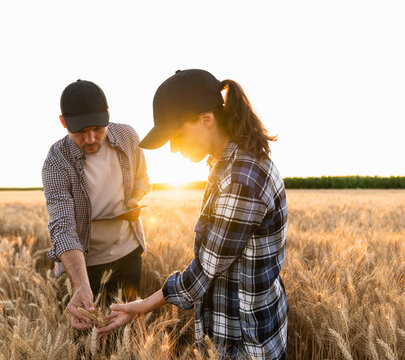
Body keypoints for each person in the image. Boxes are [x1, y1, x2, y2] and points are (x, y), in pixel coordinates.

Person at [98, 69, 288, 359]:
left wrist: (143, 306)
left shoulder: (241, 178)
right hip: (238, 330)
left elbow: (203, 273)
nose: (173, 149)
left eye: (176, 135)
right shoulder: (227, 165)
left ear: (206, 120)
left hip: (247, 342)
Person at [42, 79, 151, 331]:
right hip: (84, 263)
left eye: (97, 128)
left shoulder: (128, 136)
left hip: (129, 253)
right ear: (63, 123)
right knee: (86, 340)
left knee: (127, 332)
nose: (90, 138)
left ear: (108, 116)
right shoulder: (56, 162)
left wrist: (136, 198)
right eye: (80, 131)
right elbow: (63, 227)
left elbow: (143, 179)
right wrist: (80, 285)